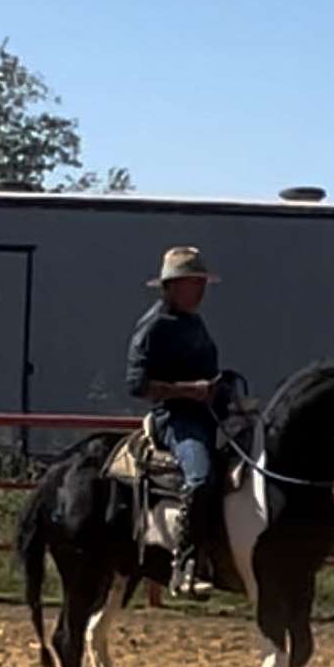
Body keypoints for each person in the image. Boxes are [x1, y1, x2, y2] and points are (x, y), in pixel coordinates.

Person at [126, 245, 222, 599]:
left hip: (207, 412)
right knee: (199, 478)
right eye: (193, 283)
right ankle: (185, 564)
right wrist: (188, 392)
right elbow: (137, 384)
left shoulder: (194, 323)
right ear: (171, 287)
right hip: (176, 418)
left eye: (202, 283)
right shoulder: (153, 327)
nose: (200, 290)